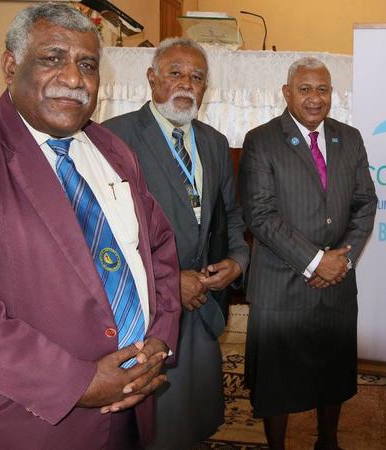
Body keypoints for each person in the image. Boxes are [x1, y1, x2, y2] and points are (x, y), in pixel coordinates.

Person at [0, 4, 181, 449]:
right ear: (10, 66)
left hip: (130, 408)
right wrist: (78, 383)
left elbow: (158, 247)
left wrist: (157, 341)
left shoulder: (112, 150)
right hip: (28, 424)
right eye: (51, 58)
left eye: (87, 64)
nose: (74, 78)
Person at [103, 37, 249, 450]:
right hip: (147, 306)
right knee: (154, 420)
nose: (186, 84)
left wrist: (237, 260)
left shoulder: (215, 143)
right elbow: (106, 236)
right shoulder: (114, 138)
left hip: (202, 303)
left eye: (197, 77)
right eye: (175, 73)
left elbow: (230, 215)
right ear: (151, 78)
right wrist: (169, 281)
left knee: (196, 410)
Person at [238, 57, 377, 450]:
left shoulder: (348, 138)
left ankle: (327, 441)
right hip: (282, 283)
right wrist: (317, 261)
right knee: (277, 382)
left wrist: (342, 260)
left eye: (323, 89)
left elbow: (366, 203)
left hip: (336, 283)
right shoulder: (261, 140)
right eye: (305, 89)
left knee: (331, 374)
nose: (315, 98)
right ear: (286, 93)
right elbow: (260, 216)